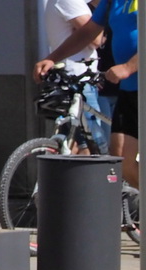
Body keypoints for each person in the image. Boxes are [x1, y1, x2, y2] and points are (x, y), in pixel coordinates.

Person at [38, 0, 146, 229]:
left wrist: (127, 67)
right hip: (130, 85)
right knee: (122, 157)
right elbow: (89, 31)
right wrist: (53, 57)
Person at [43, 0, 112, 154]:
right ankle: (94, 177)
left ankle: (59, 177)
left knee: (72, 141)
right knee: (92, 144)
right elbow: (95, 38)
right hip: (77, 78)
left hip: (75, 75)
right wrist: (99, 35)